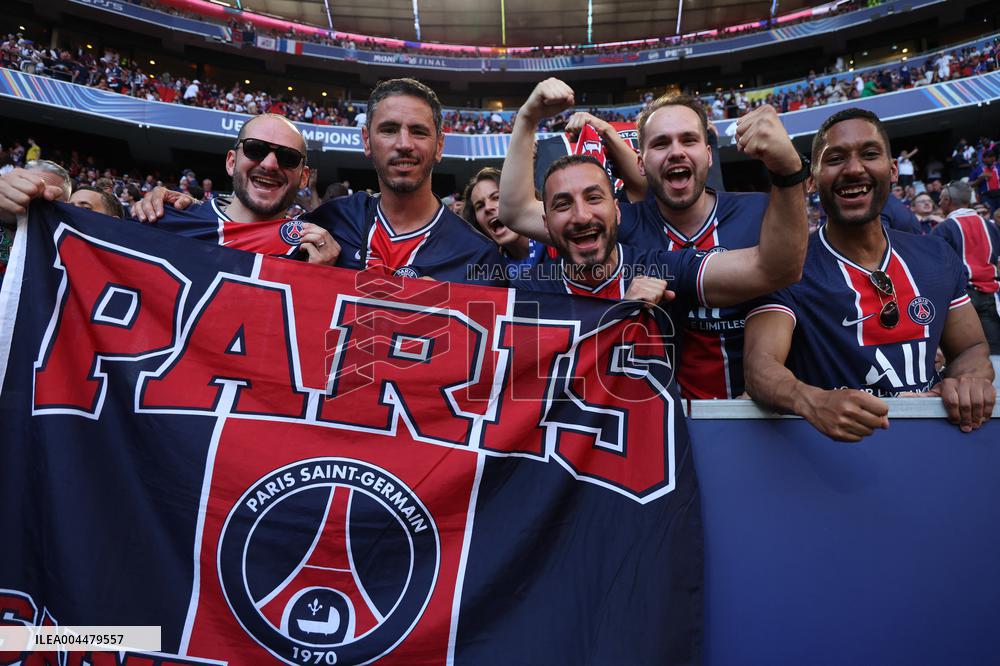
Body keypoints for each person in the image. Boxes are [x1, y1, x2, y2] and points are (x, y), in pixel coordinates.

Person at [499, 77, 808, 399]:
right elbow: (516, 210)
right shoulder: (621, 224)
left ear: (708, 153)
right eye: (660, 144)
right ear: (641, 163)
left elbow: (782, 268)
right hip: (660, 413)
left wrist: (788, 171)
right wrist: (527, 118)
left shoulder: (760, 212)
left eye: (688, 140)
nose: (676, 152)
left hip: (750, 415)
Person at [743, 108, 995, 442]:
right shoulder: (788, 269)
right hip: (832, 458)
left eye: (870, 154)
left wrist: (967, 380)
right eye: (835, 158)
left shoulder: (935, 255)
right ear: (812, 179)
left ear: (893, 171)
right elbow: (759, 366)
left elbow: (971, 348)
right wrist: (812, 401)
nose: (854, 169)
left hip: (935, 448)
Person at [301, 78, 506, 285]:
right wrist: (312, 280)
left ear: (440, 146)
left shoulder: (480, 258)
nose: (404, 144)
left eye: (419, 132)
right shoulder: (329, 222)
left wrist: (450, 312)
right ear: (366, 140)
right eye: (389, 130)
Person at [130, 113, 338, 263]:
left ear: (304, 177)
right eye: (254, 148)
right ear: (231, 162)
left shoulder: (313, 254)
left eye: (288, 158)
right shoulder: (165, 220)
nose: (269, 164)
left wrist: (317, 280)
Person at [932, 180, 1000, 382]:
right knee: (993, 350)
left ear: (947, 201)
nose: (939, 202)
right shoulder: (991, 226)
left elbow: (938, 267)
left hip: (960, 300)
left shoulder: (944, 229)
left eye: (941, 199)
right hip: (990, 294)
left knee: (961, 353)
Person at [461, 167, 542, 273]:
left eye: (496, 197)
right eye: (480, 206)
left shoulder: (556, 243)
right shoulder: (488, 273)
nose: (488, 208)